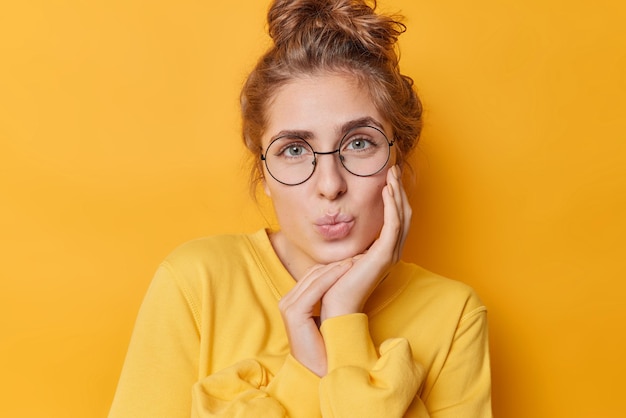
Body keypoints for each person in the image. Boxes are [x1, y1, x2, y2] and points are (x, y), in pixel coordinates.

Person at [108, 0, 492, 416]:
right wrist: (308, 372)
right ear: (265, 174)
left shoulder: (455, 316)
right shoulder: (196, 283)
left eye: (359, 143)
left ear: (396, 157)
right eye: (294, 149)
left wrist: (341, 318)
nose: (329, 185)